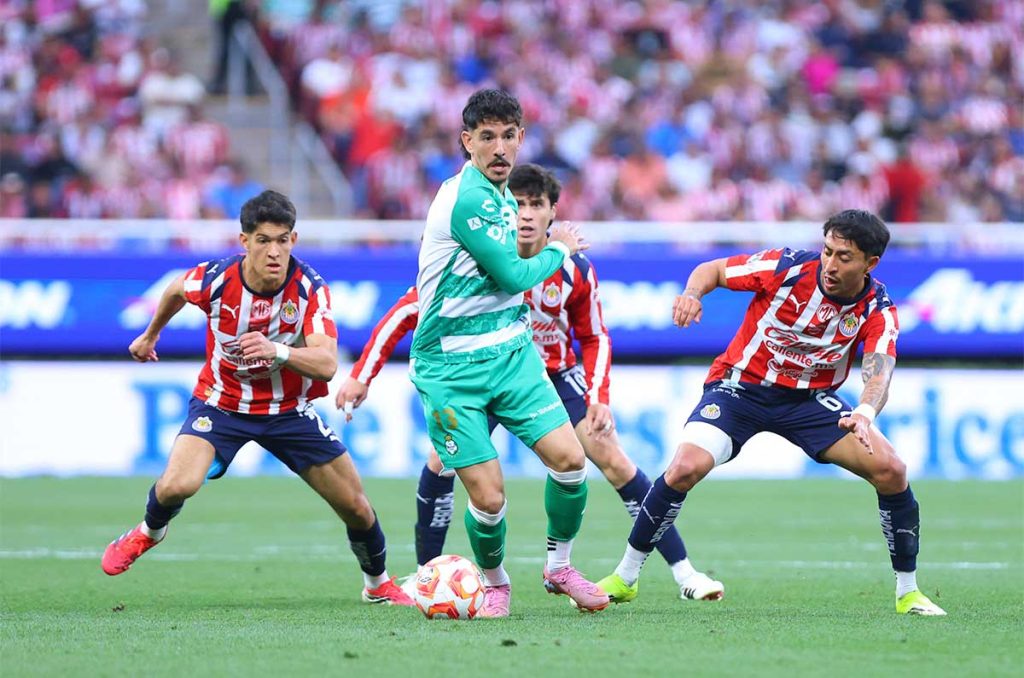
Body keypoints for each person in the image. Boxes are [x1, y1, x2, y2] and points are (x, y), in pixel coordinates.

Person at [337, 163, 725, 602]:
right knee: (440, 462)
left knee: (609, 458)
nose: (524, 214)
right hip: (479, 371)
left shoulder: (574, 270)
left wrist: (598, 397)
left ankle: (683, 571)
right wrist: (360, 376)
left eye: (535, 204)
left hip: (551, 376)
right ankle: (427, 573)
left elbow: (595, 335)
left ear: (551, 213)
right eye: (517, 204)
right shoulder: (481, 255)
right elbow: (408, 311)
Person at [597, 209, 947, 617]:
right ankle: (626, 577)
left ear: (871, 263)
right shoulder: (787, 267)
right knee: (683, 468)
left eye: (844, 257)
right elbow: (711, 269)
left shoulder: (879, 309)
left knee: (892, 470)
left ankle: (908, 593)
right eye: (828, 251)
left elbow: (879, 371)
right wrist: (692, 294)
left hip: (808, 402)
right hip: (740, 388)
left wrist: (865, 412)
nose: (830, 265)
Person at [100, 190, 413, 606]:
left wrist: (278, 350)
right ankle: (148, 532)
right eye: (264, 240)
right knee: (178, 483)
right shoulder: (214, 280)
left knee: (356, 506)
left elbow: (325, 364)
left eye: (282, 240)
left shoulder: (309, 290)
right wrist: (150, 334)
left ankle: (377, 586)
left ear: (294, 241)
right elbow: (176, 289)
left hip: (288, 412)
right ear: (244, 241)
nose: (274, 251)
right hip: (221, 403)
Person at [395, 89, 607, 617]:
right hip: (449, 370)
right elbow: (514, 274)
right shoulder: (467, 199)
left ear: (521, 139)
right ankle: (495, 582)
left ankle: (559, 566)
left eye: (509, 136)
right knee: (489, 498)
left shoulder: (505, 194)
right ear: (466, 142)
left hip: (512, 356)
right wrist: (561, 249)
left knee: (571, 459)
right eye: (486, 137)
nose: (499, 148)